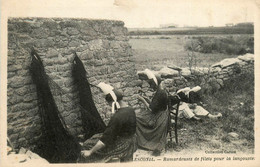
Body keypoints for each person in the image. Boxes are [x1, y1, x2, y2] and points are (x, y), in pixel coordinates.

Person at [80, 82, 137, 163]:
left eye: (109, 103)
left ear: (113, 102)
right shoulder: (130, 109)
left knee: (88, 144)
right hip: (132, 140)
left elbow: (104, 140)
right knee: (96, 136)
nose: (109, 106)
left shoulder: (118, 116)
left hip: (123, 145)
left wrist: (90, 152)